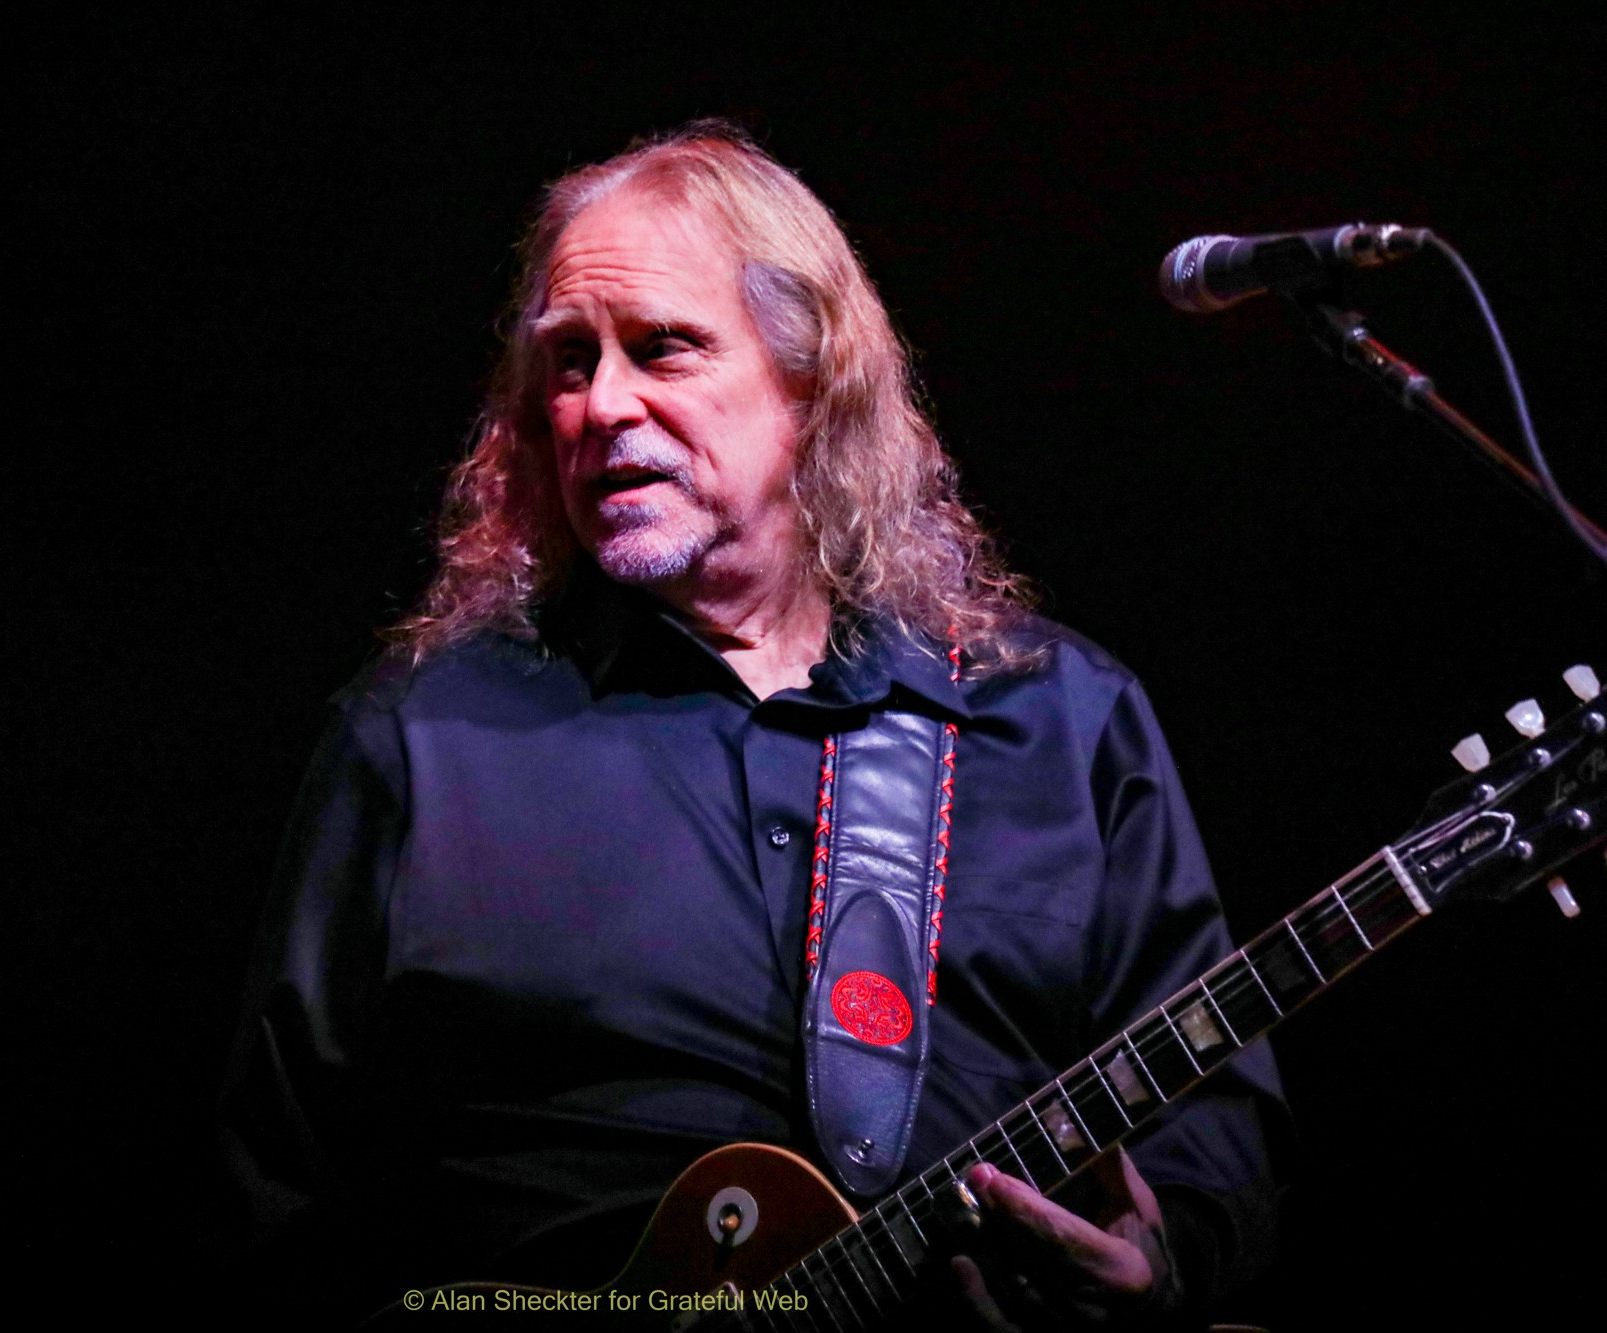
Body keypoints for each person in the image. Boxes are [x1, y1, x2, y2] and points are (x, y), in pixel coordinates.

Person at [221, 122, 1284, 1328]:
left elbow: (1212, 1113)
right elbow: (277, 1183)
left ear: (810, 381)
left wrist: (1165, 1263)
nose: (600, 403)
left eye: (661, 347)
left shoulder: (1058, 720)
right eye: (567, 361)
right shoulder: (423, 737)